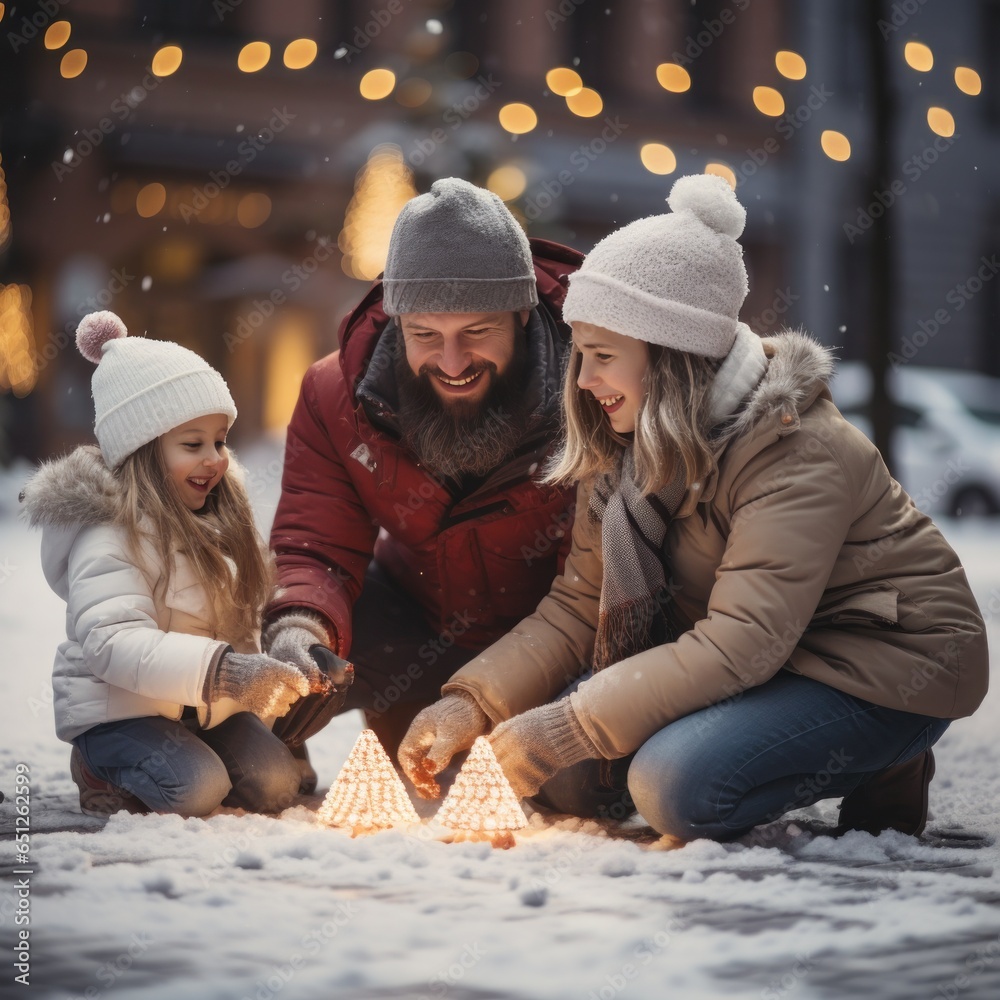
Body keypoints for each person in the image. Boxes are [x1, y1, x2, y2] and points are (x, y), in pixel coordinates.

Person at [398, 173, 989, 842]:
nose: (585, 381)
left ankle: (887, 756)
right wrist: (469, 703)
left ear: (671, 358)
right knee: (569, 780)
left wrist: (572, 724)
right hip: (774, 659)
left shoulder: (795, 452)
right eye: (580, 359)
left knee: (675, 787)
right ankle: (775, 737)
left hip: (883, 661)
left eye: (601, 357)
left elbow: (741, 643)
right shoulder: (627, 445)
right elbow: (573, 606)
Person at [263, 177, 581, 783]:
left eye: (477, 332)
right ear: (394, 319)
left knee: (578, 792)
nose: (453, 363)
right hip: (417, 625)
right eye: (426, 335)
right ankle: (269, 745)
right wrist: (302, 626)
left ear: (522, 312)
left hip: (550, 646)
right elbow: (317, 545)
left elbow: (590, 595)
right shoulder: (335, 395)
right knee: (281, 615)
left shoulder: (591, 387)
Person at [21, 311, 323, 818]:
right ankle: (99, 766)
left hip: (199, 708)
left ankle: (206, 757)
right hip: (123, 712)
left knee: (276, 784)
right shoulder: (107, 531)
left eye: (220, 441)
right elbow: (112, 642)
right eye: (192, 444)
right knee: (195, 790)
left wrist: (274, 669)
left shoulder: (216, 520)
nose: (215, 459)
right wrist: (225, 673)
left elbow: (241, 622)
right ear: (142, 450)